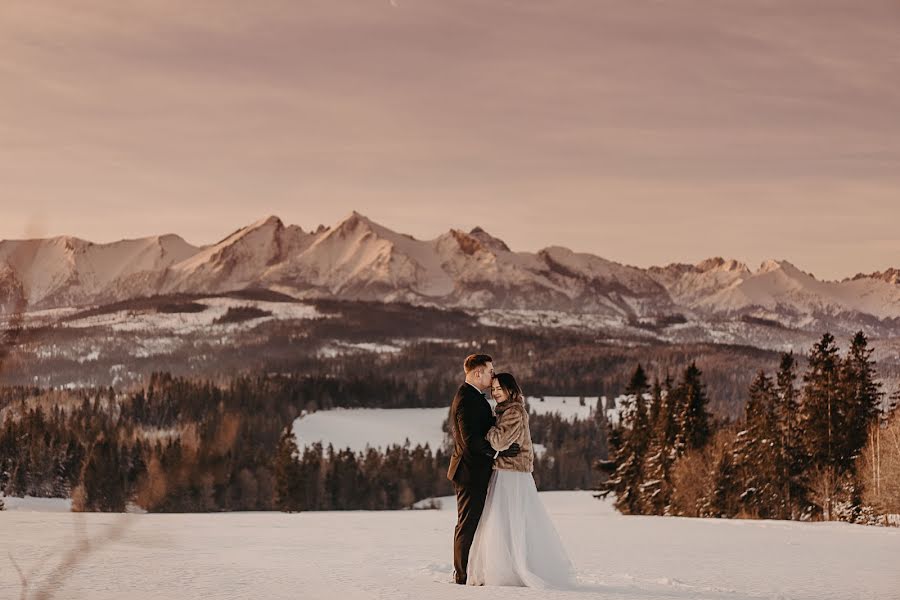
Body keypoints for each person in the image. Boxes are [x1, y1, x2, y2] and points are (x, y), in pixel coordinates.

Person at [466, 372, 577, 588]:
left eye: (500, 388)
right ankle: (508, 566)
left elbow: (498, 441)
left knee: (506, 520)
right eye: (494, 389)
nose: (496, 392)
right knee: (507, 521)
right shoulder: (506, 410)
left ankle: (512, 569)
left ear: (511, 390)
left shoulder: (514, 412)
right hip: (509, 471)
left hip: (512, 474)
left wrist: (487, 431)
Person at [447, 354, 521, 585]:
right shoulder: (467, 398)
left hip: (475, 471)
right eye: (490, 370)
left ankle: (470, 570)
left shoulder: (473, 396)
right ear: (477, 373)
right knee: (468, 523)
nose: (492, 374)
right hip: (470, 473)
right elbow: (471, 440)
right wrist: (498, 453)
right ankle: (461, 575)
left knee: (473, 522)